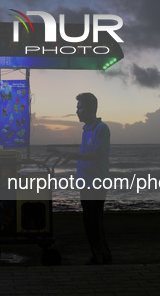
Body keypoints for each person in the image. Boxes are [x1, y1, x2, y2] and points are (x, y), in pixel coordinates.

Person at [51, 92, 112, 265]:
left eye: (80, 107)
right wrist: (63, 153)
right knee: (92, 220)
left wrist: (73, 154)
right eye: (77, 108)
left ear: (91, 108)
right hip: (86, 182)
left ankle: (99, 257)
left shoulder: (101, 129)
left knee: (93, 221)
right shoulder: (87, 130)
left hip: (96, 182)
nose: (77, 111)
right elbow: (85, 153)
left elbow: (98, 154)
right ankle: (102, 256)